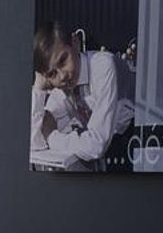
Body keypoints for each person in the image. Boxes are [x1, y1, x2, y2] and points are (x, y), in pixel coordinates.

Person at [31, 21, 131, 170]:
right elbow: (34, 143)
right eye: (52, 74)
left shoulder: (102, 66)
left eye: (63, 60)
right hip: (112, 153)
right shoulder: (62, 89)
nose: (62, 76)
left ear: (75, 43)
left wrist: (52, 137)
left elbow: (96, 144)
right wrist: (39, 88)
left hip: (139, 138)